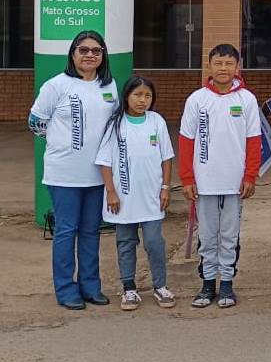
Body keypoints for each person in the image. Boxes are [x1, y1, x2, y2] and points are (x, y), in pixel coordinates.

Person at [28, 30, 118, 310]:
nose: (90, 55)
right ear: (73, 54)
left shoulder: (109, 85)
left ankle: (91, 287)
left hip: (97, 174)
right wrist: (62, 142)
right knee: (67, 230)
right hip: (64, 173)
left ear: (103, 56)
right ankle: (66, 290)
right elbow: (36, 122)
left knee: (91, 230)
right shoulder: (56, 85)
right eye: (84, 50)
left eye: (96, 50)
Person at [179, 44, 261, 309]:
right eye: (218, 63)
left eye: (229, 63)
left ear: (237, 67)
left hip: (234, 182)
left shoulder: (246, 99)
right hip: (204, 182)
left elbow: (253, 141)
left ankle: (226, 282)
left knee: (230, 234)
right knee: (207, 234)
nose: (223, 68)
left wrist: (250, 176)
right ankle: (207, 284)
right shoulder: (197, 99)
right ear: (209, 66)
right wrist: (188, 178)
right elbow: (186, 141)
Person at [95, 76, 176, 311]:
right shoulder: (116, 124)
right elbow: (105, 162)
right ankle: (129, 289)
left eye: (147, 96)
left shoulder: (156, 121)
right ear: (127, 96)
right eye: (137, 95)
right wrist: (111, 192)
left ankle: (160, 286)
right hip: (123, 197)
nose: (142, 100)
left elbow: (166, 158)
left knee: (154, 242)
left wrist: (165, 188)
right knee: (126, 242)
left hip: (151, 197)